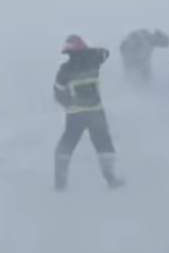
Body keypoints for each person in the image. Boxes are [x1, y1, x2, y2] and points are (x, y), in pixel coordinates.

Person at [53, 34, 123, 191]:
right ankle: (111, 179)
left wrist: (67, 104)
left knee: (64, 148)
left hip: (75, 115)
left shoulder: (65, 70)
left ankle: (60, 185)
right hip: (95, 113)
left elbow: (58, 92)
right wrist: (88, 51)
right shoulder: (93, 62)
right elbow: (104, 53)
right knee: (104, 146)